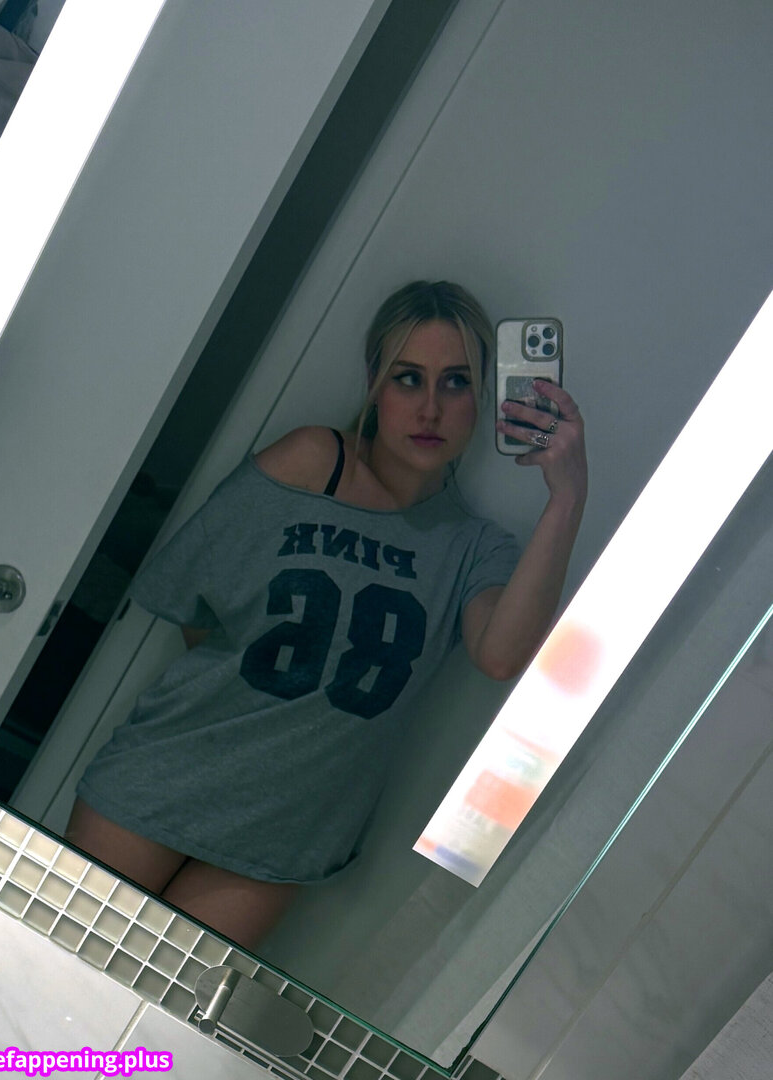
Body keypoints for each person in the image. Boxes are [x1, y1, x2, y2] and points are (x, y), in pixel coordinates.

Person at [66, 280, 587, 949]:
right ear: (374, 383)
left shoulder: (474, 548)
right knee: (36, 974)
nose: (430, 407)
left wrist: (566, 496)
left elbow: (500, 655)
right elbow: (197, 599)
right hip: (164, 777)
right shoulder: (312, 462)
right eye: (407, 378)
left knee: (152, 1003)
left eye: (455, 382)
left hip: (288, 831)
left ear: (483, 395)